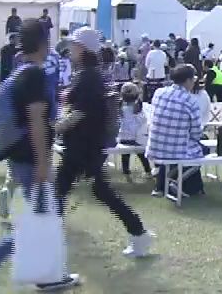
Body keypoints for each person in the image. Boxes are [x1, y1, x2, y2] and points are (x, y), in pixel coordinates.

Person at [0, 19, 82, 290]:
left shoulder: (20, 72)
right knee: (46, 215)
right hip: (31, 157)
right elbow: (35, 121)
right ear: (44, 43)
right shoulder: (34, 75)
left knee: (45, 214)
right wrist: (44, 163)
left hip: (20, 155)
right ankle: (6, 259)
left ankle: (45, 273)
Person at [54, 27, 153, 257]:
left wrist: (53, 128)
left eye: (74, 46)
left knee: (64, 190)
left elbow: (80, 114)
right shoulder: (91, 75)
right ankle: (139, 234)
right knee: (96, 191)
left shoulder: (87, 77)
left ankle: (139, 234)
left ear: (83, 49)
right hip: (88, 144)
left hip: (83, 144)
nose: (70, 50)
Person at [147, 65, 208, 197]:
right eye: (193, 79)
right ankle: (184, 184)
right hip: (175, 150)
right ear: (187, 80)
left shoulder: (159, 93)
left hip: (155, 147)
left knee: (175, 144)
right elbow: (196, 133)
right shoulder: (190, 100)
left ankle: (162, 185)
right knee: (203, 149)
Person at [117, 83, 151, 177]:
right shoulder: (139, 111)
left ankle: (126, 172)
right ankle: (148, 171)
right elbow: (144, 122)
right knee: (142, 154)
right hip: (137, 140)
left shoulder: (120, 109)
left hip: (123, 139)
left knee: (125, 155)